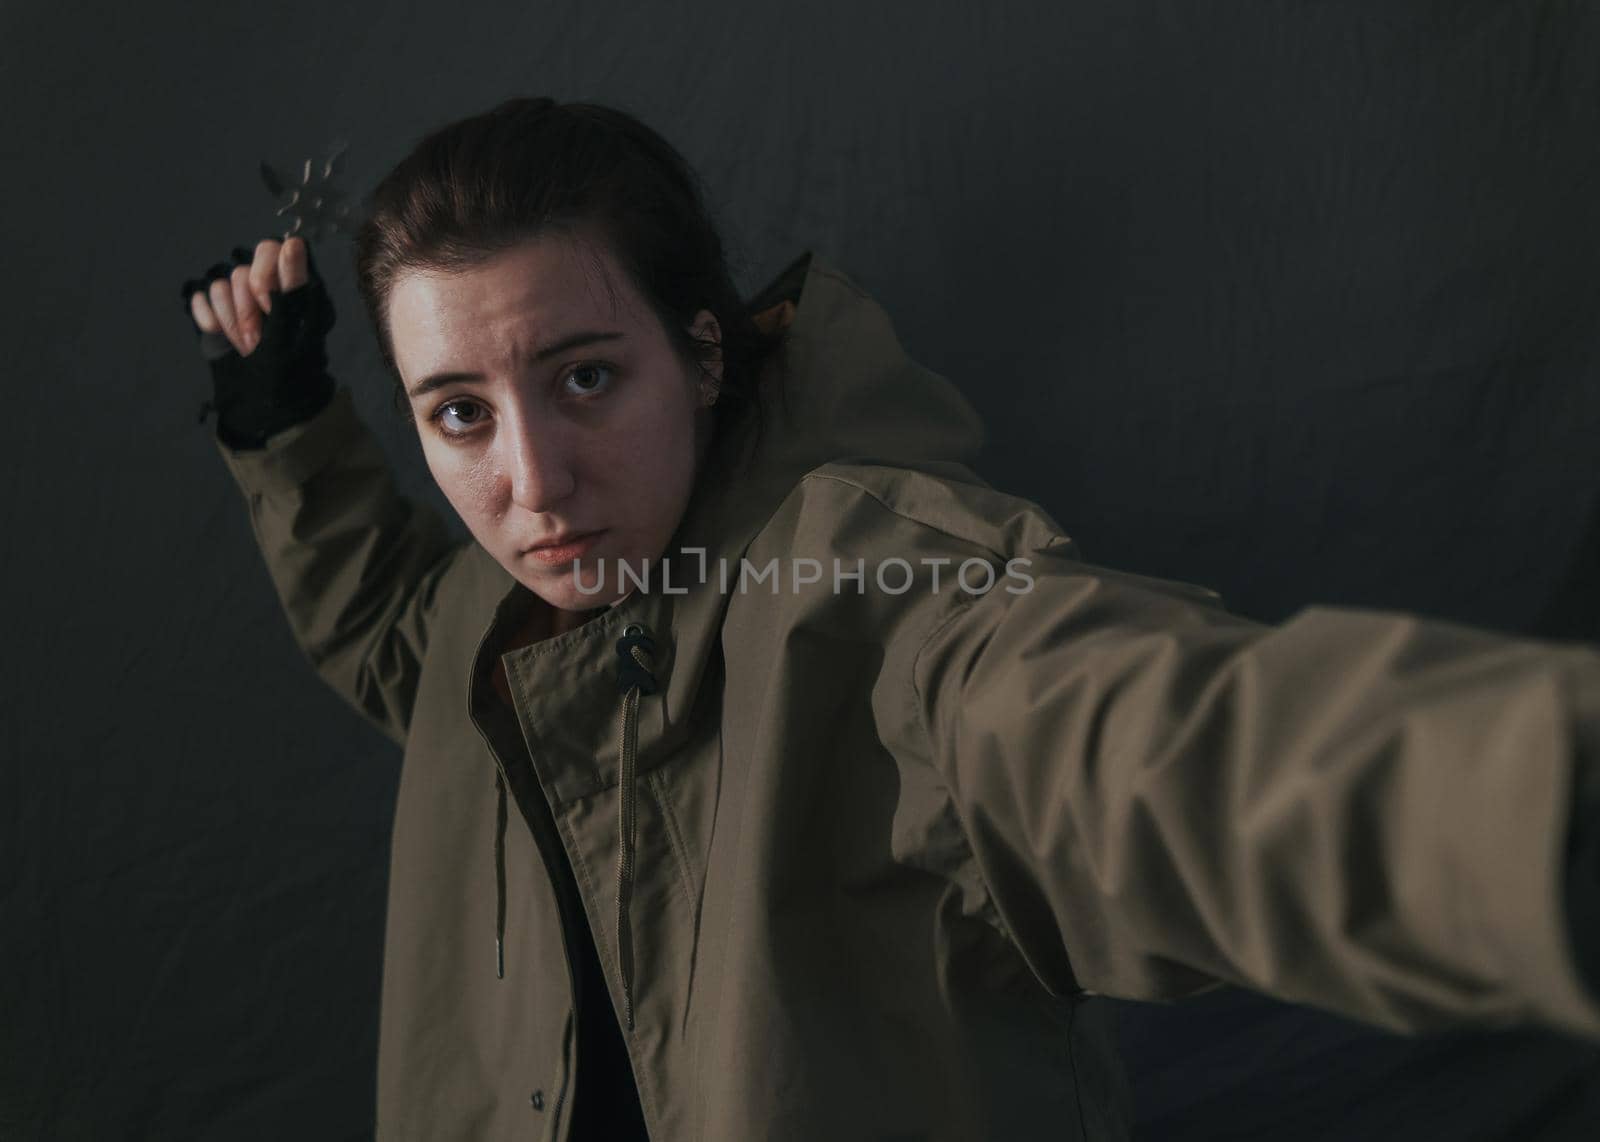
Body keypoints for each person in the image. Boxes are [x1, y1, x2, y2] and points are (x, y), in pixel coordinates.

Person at [183, 96, 1600, 1141]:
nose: (531, 482)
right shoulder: (485, 607)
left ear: (701, 351)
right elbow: (388, 626)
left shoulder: (866, 581)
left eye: (587, 378)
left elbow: (1122, 734)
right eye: (458, 412)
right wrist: (284, 421)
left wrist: (1522, 802)